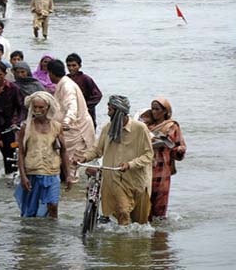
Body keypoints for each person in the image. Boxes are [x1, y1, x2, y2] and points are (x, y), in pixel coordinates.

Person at [75, 95, 153, 226]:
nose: (107, 113)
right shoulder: (107, 128)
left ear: (119, 112)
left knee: (140, 222)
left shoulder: (140, 129)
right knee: (123, 212)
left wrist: (130, 164)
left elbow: (148, 155)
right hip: (114, 179)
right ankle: (121, 244)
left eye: (110, 110)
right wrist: (84, 157)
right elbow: (97, 150)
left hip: (135, 180)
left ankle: (131, 244)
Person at [15, 92, 69, 217]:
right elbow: (21, 153)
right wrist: (23, 176)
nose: (38, 110)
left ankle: (52, 232)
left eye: (41, 107)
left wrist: (68, 175)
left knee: (53, 206)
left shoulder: (57, 127)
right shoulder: (26, 127)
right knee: (31, 211)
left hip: (52, 172)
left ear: (48, 108)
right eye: (35, 107)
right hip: (32, 172)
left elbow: (64, 151)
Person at [48, 59, 95, 183]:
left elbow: (72, 105)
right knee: (64, 162)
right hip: (68, 130)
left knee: (71, 164)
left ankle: (71, 196)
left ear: (51, 73)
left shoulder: (67, 86)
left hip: (76, 130)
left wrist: (67, 121)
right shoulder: (63, 84)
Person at [148, 97, 187, 220]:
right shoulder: (146, 125)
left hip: (163, 168)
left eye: (157, 109)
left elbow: (178, 145)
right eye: (152, 109)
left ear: (165, 111)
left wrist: (179, 150)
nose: (154, 112)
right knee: (144, 201)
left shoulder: (172, 126)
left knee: (160, 203)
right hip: (146, 166)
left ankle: (159, 235)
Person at [66, 53, 103, 129]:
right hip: (70, 113)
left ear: (79, 66)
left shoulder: (86, 79)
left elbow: (98, 95)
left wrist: (85, 105)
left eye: (74, 65)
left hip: (86, 114)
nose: (71, 68)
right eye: (69, 65)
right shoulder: (65, 79)